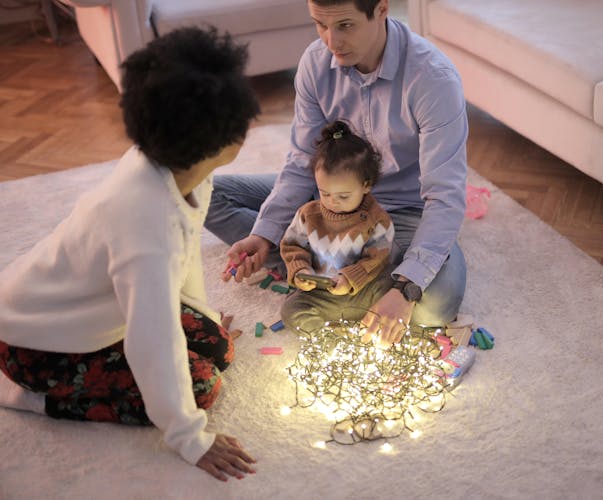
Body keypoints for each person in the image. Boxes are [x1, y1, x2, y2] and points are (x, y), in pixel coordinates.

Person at [0, 27, 260, 481]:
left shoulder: (181, 169)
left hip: (84, 309)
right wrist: (189, 437)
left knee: (217, 342)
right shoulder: (147, 223)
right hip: (34, 344)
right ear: (219, 140)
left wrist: (204, 316)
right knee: (202, 386)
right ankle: (32, 398)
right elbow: (151, 340)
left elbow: (183, 259)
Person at [208, 0, 469, 346]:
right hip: (327, 198)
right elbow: (303, 162)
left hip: (402, 211)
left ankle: (340, 277)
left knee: (434, 305)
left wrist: (406, 288)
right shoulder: (315, 64)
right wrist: (265, 235)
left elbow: (444, 196)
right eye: (320, 25)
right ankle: (343, 274)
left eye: (345, 26)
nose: (331, 42)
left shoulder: (433, 79)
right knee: (208, 195)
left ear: (381, 9)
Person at [280, 120, 394, 333]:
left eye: (343, 195)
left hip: (362, 290)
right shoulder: (308, 215)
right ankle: (323, 336)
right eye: (325, 193)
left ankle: (371, 322)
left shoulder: (377, 220)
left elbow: (376, 260)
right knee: (291, 308)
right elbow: (293, 247)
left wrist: (349, 278)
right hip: (320, 294)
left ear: (366, 185)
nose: (333, 201)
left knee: (393, 282)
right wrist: (301, 270)